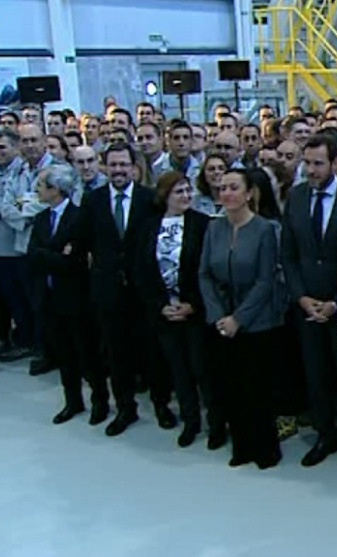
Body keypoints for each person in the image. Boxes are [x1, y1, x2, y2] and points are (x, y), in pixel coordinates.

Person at [280, 133, 337, 470]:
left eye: (318, 163)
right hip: (307, 305)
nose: (311, 170)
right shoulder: (296, 196)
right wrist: (301, 296)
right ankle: (324, 434)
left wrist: (336, 302)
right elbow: (289, 254)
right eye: (307, 163)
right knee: (315, 375)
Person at [75, 144, 172, 437]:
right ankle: (125, 408)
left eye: (123, 164)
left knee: (152, 352)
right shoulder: (93, 200)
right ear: (105, 167)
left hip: (143, 290)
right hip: (107, 290)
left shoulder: (148, 198)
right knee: (116, 354)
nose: (118, 170)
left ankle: (161, 405)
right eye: (113, 165)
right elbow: (84, 240)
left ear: (133, 167)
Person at [199, 169, 283, 469]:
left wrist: (239, 318)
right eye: (222, 188)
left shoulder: (264, 230)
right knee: (229, 385)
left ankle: (265, 449)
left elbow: (265, 280)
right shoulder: (214, 228)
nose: (227, 193)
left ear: (248, 194)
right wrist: (218, 315)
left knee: (256, 387)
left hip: (256, 320)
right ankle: (241, 446)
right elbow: (204, 274)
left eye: (233, 188)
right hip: (221, 320)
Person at [135, 171, 223, 449]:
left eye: (188, 190)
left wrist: (192, 305)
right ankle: (190, 421)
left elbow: (209, 270)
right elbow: (142, 271)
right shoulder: (148, 226)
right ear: (165, 196)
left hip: (195, 312)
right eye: (179, 192)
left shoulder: (202, 224)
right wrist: (160, 305)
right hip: (164, 313)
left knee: (203, 370)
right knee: (179, 371)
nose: (186, 196)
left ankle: (217, 425)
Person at [28, 164, 107, 424]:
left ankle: (100, 401)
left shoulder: (78, 217)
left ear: (56, 189)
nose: (37, 190)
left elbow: (75, 262)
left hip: (76, 299)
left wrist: (48, 256)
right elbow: (32, 256)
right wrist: (55, 255)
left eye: (41, 185)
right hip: (49, 297)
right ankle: (73, 401)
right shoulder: (41, 218)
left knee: (87, 353)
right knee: (64, 355)